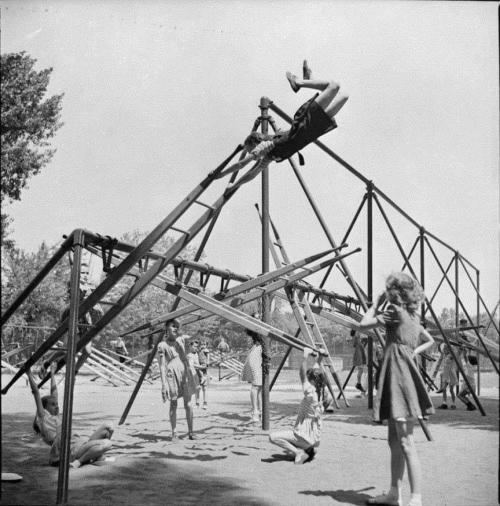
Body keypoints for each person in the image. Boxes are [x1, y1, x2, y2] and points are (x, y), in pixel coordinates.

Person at [359, 272, 435, 506]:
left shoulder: (395, 311)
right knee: (394, 440)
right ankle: (394, 494)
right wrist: (412, 351)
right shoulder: (413, 316)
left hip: (400, 380)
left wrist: (374, 304)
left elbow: (362, 326)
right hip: (399, 378)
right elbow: (429, 340)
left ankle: (416, 500)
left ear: (395, 292)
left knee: (405, 443)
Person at [217, 60, 349, 187]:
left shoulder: (266, 145)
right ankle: (308, 79)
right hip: (313, 131)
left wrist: (220, 175)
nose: (253, 155)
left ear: (255, 143)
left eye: (250, 149)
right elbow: (252, 174)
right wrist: (235, 185)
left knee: (334, 86)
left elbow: (241, 165)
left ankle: (300, 82)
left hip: (304, 125)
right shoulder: (269, 157)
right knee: (344, 95)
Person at [27, 363, 113, 468]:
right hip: (70, 449)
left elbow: (54, 392)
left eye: (57, 404)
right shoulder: (43, 418)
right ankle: (80, 461)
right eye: (53, 405)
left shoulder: (57, 416)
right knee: (107, 444)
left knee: (109, 427)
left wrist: (52, 373)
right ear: (45, 408)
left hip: (80, 443)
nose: (57, 406)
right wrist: (28, 373)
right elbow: (36, 392)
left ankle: (96, 457)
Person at [269, 348, 325, 465]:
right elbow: (315, 373)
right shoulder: (319, 393)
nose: (307, 380)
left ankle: (298, 452)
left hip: (304, 436)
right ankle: (308, 449)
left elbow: (302, 375)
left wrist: (305, 356)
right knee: (294, 434)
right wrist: (320, 358)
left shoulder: (310, 393)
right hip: (315, 438)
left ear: (313, 381)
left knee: (273, 437)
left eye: (310, 379)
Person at [158, 319, 198, 441]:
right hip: (172, 374)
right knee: (173, 403)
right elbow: (162, 366)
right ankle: (174, 432)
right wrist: (163, 385)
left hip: (185, 373)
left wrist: (180, 329)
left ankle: (191, 432)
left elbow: (193, 335)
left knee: (188, 404)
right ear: (166, 328)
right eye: (172, 326)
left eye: (177, 326)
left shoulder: (181, 340)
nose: (175, 328)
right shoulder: (162, 345)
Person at [241, 329, 264, 424]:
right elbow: (250, 333)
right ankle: (255, 411)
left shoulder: (260, 332)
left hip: (259, 351)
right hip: (256, 353)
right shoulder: (255, 328)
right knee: (255, 386)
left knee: (260, 387)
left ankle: (261, 411)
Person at [436, 342, 458, 409]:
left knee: (451, 390)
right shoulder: (444, 355)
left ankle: (453, 404)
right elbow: (439, 350)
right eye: (444, 348)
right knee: (444, 389)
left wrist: (450, 345)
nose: (444, 349)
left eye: (446, 348)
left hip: (451, 374)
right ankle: (444, 403)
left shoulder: (451, 355)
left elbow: (454, 352)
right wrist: (440, 343)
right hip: (445, 374)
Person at [350, 329, 367, 394]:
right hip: (358, 356)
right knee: (361, 369)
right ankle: (358, 384)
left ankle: (359, 383)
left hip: (359, 355)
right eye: (358, 333)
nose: (359, 334)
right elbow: (358, 331)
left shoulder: (357, 339)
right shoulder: (355, 338)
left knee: (361, 370)